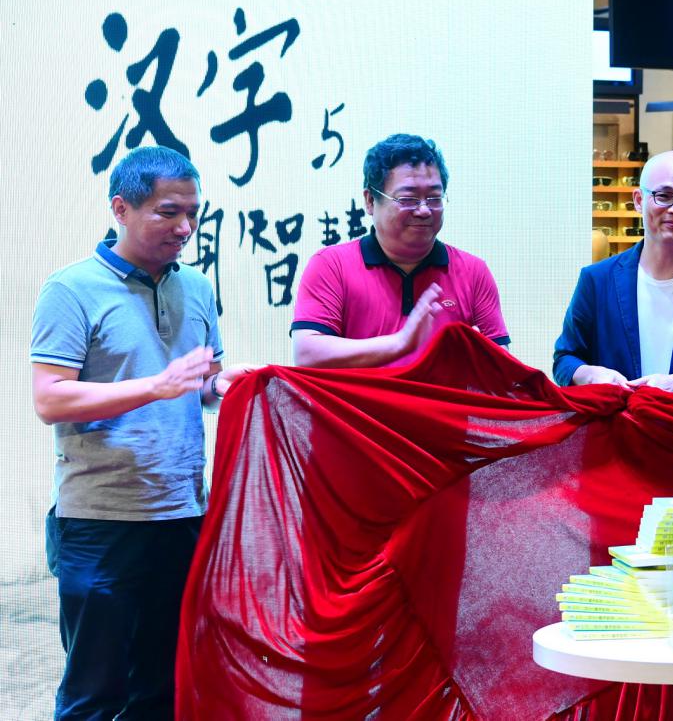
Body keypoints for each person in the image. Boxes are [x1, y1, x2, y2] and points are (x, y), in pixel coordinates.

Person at [30, 146, 257, 720]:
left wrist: (226, 384)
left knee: (163, 688)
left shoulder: (196, 288)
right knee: (94, 694)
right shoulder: (71, 289)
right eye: (168, 212)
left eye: (193, 213)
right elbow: (50, 398)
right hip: (100, 520)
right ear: (121, 209)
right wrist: (156, 386)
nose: (185, 228)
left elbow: (198, 385)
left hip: (181, 514)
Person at [553, 150, 673, 417]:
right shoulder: (597, 280)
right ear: (639, 200)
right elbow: (565, 359)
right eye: (664, 196)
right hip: (614, 434)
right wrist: (590, 375)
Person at [292, 134, 509, 367]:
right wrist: (400, 343)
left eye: (434, 198)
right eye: (408, 199)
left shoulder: (473, 271)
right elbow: (307, 355)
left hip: (441, 393)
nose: (424, 210)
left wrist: (478, 357)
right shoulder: (332, 265)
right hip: (361, 394)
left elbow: (504, 368)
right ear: (370, 201)